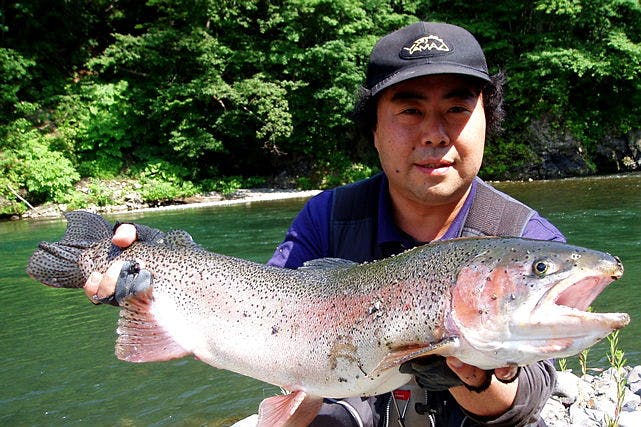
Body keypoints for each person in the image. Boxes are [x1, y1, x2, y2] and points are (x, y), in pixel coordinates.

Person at [85, 21, 564, 426]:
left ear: (488, 120)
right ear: (374, 130)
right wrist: (160, 268)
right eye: (410, 110)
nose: (435, 134)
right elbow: (269, 311)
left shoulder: (526, 241)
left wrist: (473, 376)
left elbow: (527, 400)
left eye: (457, 109)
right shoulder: (329, 216)